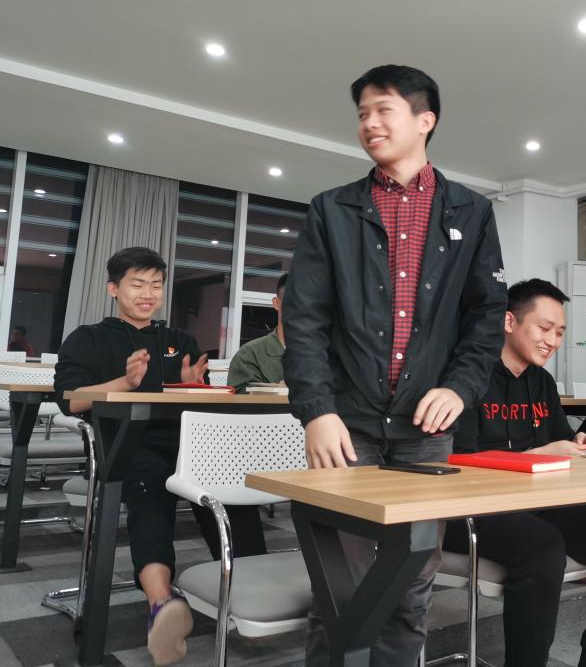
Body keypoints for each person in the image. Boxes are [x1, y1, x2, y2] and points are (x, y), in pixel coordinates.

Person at [283, 65, 507, 666]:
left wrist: (460, 388)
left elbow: (487, 316)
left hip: (426, 431)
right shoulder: (332, 210)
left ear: (424, 120)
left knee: (412, 586)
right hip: (345, 424)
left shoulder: (471, 211)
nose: (369, 123)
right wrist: (316, 411)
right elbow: (304, 320)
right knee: (341, 588)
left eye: (383, 109)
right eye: (362, 113)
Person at [54, 247, 267, 666]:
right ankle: (161, 602)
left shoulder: (179, 340)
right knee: (150, 492)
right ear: (113, 289)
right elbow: (70, 400)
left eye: (156, 285)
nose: (148, 293)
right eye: (137, 284)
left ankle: (255, 594)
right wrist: (125, 382)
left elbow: (204, 402)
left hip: (189, 444)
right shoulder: (88, 338)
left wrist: (192, 385)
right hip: (126, 443)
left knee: (231, 489)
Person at [447, 279, 586, 667]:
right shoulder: (468, 378)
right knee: (543, 545)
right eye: (544, 328)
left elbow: (559, 437)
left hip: (539, 503)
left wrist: (579, 440)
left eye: (560, 332)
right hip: (472, 509)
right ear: (508, 322)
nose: (553, 341)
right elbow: (460, 460)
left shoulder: (541, 381)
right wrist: (539, 453)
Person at [227, 272, 287, 392]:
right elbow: (239, 398)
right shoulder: (250, 354)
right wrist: (280, 390)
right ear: (276, 303)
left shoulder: (323, 353)